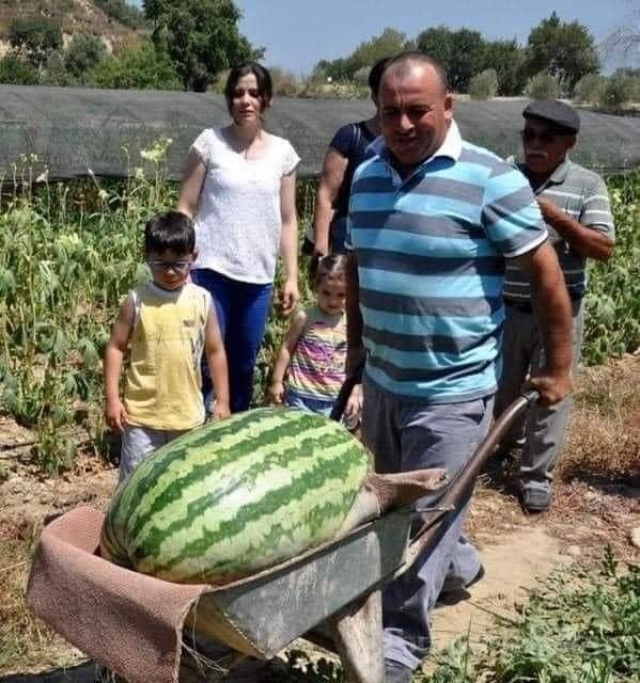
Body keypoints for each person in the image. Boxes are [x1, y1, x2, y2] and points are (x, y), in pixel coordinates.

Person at [344, 53, 574, 681]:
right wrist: (358, 353)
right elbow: (360, 271)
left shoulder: (492, 179)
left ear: (448, 107)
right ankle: (459, 563)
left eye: (417, 109)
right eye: (390, 111)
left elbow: (547, 275)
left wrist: (559, 365)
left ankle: (400, 641)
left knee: (424, 519)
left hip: (452, 390)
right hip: (386, 382)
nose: (403, 122)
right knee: (395, 511)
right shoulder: (365, 175)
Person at [494, 100, 615, 513]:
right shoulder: (505, 176)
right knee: (501, 386)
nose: (535, 145)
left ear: (570, 144)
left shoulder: (587, 184)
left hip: (559, 313)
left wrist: (555, 218)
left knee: (550, 392)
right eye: (528, 135)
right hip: (506, 305)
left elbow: (603, 247)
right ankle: (499, 449)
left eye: (547, 138)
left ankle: (535, 478)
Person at [177, 61, 300, 413]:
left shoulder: (283, 153)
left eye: (253, 93)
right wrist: (182, 261)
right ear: (229, 99)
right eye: (238, 93)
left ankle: (233, 437)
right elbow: (185, 206)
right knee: (205, 360)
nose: (245, 100)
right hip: (208, 270)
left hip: (256, 277)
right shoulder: (209, 143)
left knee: (243, 363)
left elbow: (289, 219)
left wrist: (291, 276)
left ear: (267, 100)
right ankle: (197, 433)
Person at [103, 211, 230, 482]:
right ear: (146, 255)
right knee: (135, 485)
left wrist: (223, 400)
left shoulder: (202, 300)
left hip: (187, 418)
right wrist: (113, 399)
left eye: (179, 264)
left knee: (183, 485)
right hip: (141, 419)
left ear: (193, 257)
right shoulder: (137, 300)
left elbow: (216, 351)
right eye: (161, 264)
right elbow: (115, 347)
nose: (170, 272)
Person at [305, 57, 391, 257]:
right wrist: (321, 249)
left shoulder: (412, 144)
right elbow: (326, 195)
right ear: (374, 96)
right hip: (346, 245)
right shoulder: (351, 136)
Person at [266, 254, 360, 423]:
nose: (333, 300)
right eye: (326, 293)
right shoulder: (305, 317)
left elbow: (356, 364)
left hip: (334, 400)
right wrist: (277, 381)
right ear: (316, 287)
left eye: (341, 295)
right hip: (300, 397)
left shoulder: (351, 323)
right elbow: (287, 349)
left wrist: (354, 394)